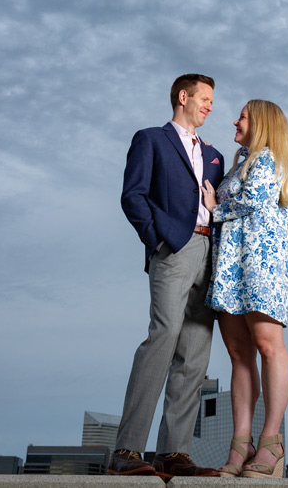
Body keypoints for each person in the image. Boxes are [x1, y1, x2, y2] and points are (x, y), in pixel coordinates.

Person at [107, 74, 226, 479]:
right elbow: (132, 195)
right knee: (162, 338)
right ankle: (126, 449)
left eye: (212, 100)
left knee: (195, 355)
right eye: (205, 98)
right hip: (173, 249)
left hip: (209, 254)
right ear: (183, 96)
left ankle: (173, 453)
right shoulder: (151, 139)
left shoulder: (214, 155)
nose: (210, 106)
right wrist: (157, 239)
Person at [201, 99, 288, 479]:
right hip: (229, 268)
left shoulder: (270, 159)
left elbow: (251, 200)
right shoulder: (240, 162)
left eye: (242, 116)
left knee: (268, 347)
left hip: (260, 267)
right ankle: (241, 444)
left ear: (261, 123)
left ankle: (271, 440)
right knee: (238, 354)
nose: (235, 121)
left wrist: (213, 208)